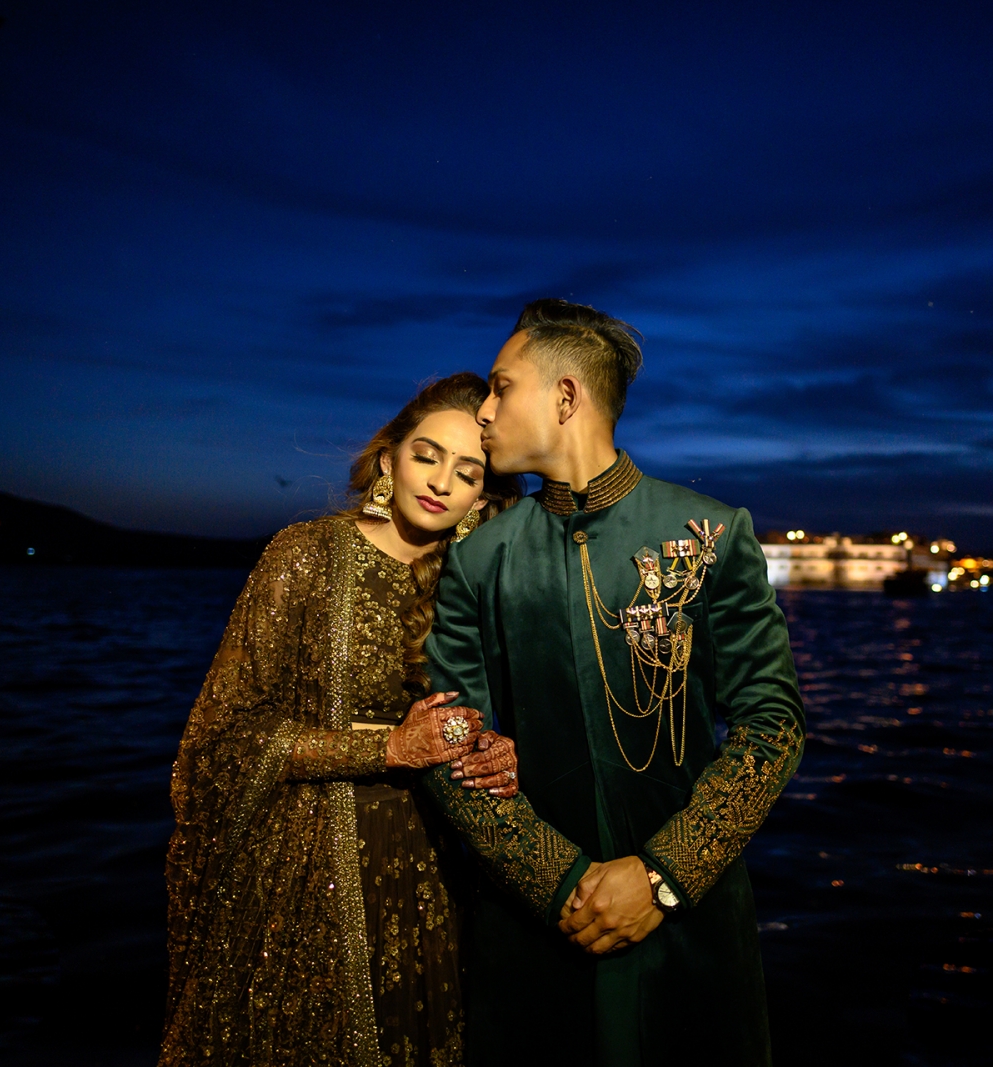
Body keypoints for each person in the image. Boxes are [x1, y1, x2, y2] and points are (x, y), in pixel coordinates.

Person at [420, 300, 806, 1066]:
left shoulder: (712, 531)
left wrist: (663, 877)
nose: (484, 412)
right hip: (536, 940)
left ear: (566, 397)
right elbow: (449, 739)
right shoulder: (480, 559)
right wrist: (560, 882)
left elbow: (774, 724)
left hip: (690, 934)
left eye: (501, 388)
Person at [160, 373, 526, 1067]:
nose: (442, 481)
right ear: (388, 458)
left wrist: (503, 748)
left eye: (467, 471)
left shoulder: (478, 582)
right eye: (427, 454)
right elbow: (224, 735)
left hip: (441, 877)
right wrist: (385, 748)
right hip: (305, 877)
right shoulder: (302, 553)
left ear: (485, 495)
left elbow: (501, 714)